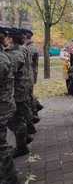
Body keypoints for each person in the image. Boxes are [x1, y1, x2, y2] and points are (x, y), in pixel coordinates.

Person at [6, 28, 32, 157]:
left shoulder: (16, 53)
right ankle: (24, 138)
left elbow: (9, 72)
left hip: (17, 90)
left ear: (10, 38)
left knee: (15, 119)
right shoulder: (15, 51)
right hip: (18, 89)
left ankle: (22, 145)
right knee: (17, 118)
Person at [0, 27, 20, 184]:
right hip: (7, 101)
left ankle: (9, 177)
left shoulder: (3, 58)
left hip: (4, 104)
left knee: (1, 146)